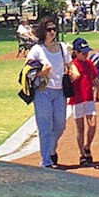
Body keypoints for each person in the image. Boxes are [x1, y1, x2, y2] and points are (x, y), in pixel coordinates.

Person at [27, 16, 69, 168]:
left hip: (60, 91)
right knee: (45, 127)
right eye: (49, 30)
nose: (52, 32)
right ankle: (46, 161)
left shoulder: (62, 47)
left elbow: (69, 64)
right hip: (43, 91)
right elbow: (27, 72)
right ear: (42, 32)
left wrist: (74, 70)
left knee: (60, 125)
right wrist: (41, 73)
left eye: (54, 29)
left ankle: (51, 149)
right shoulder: (37, 50)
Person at [68, 37, 99, 165]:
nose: (85, 55)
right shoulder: (72, 65)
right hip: (77, 99)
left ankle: (87, 146)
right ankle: (82, 154)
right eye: (83, 52)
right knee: (80, 128)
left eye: (86, 52)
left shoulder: (89, 64)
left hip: (89, 98)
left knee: (93, 124)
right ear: (76, 52)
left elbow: (96, 80)